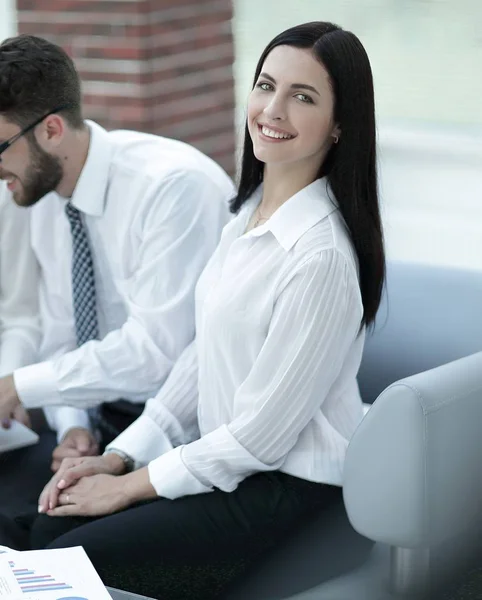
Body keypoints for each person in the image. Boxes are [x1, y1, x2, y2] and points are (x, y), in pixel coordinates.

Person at [33, 21, 385, 599]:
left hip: (286, 490)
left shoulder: (321, 256)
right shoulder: (247, 215)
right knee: (47, 524)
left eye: (303, 97)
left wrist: (131, 487)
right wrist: (121, 456)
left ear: (341, 124)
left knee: (62, 564)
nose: (273, 109)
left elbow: (259, 440)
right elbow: (204, 354)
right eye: (266, 85)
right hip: (226, 469)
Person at [0, 34, 234, 549]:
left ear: (52, 130)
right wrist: (71, 427)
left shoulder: (173, 187)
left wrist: (16, 386)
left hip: (184, 435)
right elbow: (64, 333)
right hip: (106, 426)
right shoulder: (43, 198)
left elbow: (157, 353)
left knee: (49, 547)